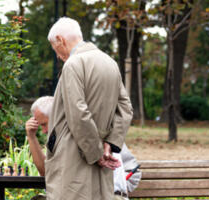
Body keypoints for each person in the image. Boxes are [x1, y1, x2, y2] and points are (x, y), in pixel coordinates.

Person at [44, 17, 133, 199]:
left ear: (60, 40)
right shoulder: (110, 63)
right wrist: (110, 144)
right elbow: (125, 108)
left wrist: (96, 153)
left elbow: (78, 113)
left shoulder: (73, 64)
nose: (58, 56)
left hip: (72, 157)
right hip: (99, 157)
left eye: (55, 49)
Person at [25, 97, 141, 200]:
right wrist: (31, 137)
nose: (44, 131)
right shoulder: (57, 139)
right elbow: (46, 173)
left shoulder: (87, 132)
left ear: (57, 117)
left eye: (44, 124)